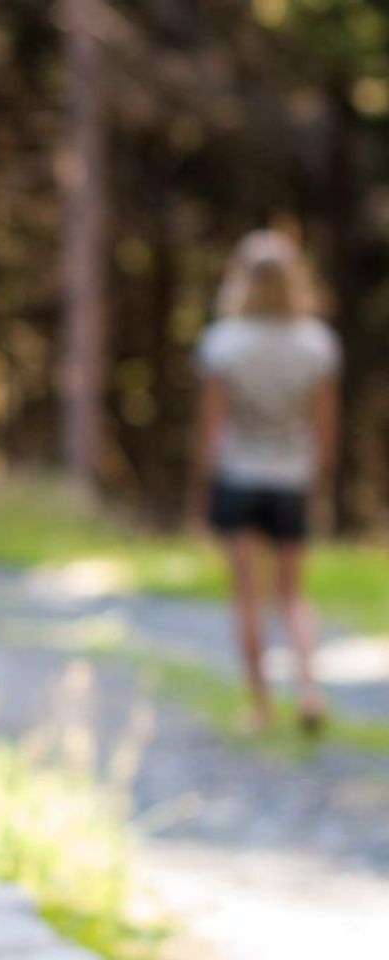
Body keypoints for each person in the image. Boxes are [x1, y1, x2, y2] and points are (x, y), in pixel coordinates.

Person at [189, 229, 340, 734]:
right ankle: (308, 689)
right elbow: (325, 426)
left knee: (248, 595)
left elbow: (212, 426)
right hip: (291, 475)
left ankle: (260, 706)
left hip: (238, 475)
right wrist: (320, 479)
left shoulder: (223, 343)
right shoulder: (316, 344)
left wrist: (201, 486)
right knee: (293, 594)